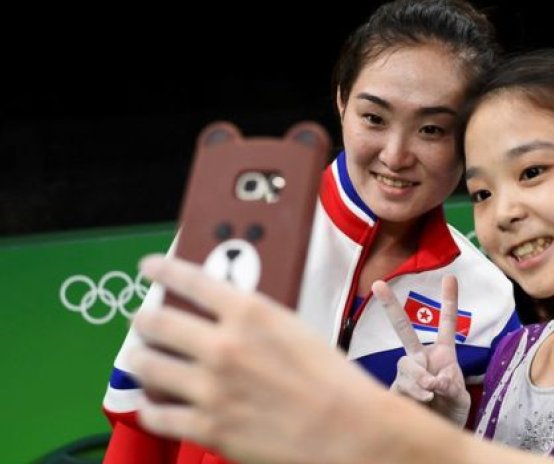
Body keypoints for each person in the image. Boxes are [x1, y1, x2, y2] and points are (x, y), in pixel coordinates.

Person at [128, 49, 554, 463]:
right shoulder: (522, 350)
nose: (504, 212)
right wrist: (442, 421)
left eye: (533, 170)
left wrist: (390, 431)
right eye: (481, 191)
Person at [101, 1, 520, 463]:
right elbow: (141, 427)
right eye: (374, 119)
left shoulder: (487, 301)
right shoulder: (237, 230)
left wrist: (437, 432)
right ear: (342, 100)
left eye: (432, 129)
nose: (397, 155)